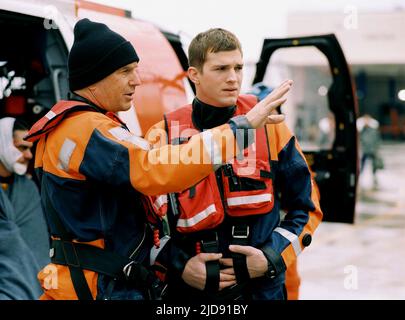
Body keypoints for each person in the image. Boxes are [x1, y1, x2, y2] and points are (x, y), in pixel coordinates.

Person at [24, 19, 290, 300]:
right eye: (126, 71)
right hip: (99, 288)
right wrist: (240, 131)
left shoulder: (79, 127)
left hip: (91, 283)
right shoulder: (86, 130)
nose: (136, 80)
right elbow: (156, 168)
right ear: (96, 77)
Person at [149, 28, 323, 300]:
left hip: (262, 291)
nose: (233, 78)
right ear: (194, 74)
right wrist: (180, 265)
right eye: (220, 68)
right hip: (190, 294)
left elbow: (307, 207)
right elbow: (142, 223)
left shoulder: (271, 127)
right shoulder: (164, 133)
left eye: (238, 67)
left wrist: (270, 257)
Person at [0, 117, 50, 299]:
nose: (29, 155)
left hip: (34, 285)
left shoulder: (28, 189)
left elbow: (38, 243)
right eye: (22, 147)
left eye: (30, 148)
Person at [357, 113, 383, 188]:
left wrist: (376, 148)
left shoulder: (373, 130)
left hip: (372, 150)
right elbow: (360, 140)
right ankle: (359, 177)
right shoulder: (362, 130)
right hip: (365, 150)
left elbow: (377, 139)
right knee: (362, 164)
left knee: (374, 165)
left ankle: (374, 177)